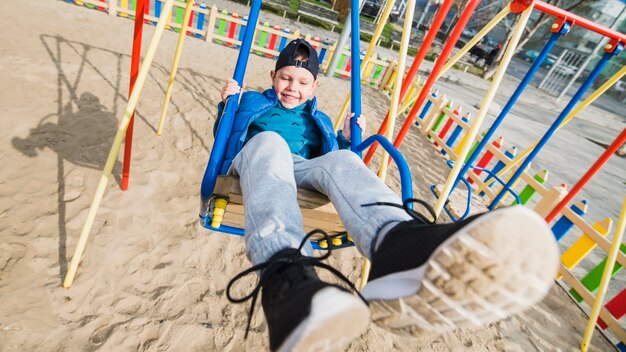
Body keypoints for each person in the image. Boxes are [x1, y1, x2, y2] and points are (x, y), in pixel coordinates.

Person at [215, 38, 559, 351]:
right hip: (255, 163)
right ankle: (283, 275)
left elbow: (328, 162)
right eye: (286, 78)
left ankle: (398, 244)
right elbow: (223, 134)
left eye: (303, 82)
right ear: (273, 75)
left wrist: (348, 139)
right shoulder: (251, 101)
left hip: (301, 168)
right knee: (272, 142)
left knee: (344, 158)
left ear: (315, 85)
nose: (293, 88)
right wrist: (227, 104)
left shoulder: (316, 118)